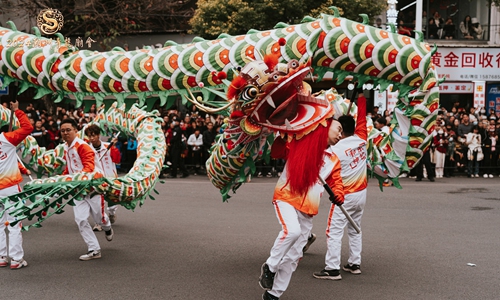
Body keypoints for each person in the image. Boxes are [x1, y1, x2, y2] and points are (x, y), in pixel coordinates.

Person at [259, 118, 345, 300]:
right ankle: (270, 267)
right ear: (325, 126)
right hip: (287, 197)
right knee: (292, 231)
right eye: (338, 129)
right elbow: (277, 152)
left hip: (308, 209)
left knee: (294, 256)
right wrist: (283, 137)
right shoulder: (301, 141)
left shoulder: (333, 160)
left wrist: (338, 194)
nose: (340, 135)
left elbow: (336, 183)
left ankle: (273, 294)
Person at [313, 94, 367, 280]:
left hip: (344, 195)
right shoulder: (362, 141)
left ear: (340, 130)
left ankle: (332, 268)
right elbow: (362, 119)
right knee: (355, 228)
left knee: (334, 231)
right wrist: (361, 99)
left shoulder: (334, 149)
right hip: (362, 194)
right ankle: (354, 263)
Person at [60, 119, 114, 261]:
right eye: (62, 131)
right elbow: (70, 168)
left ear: (76, 131)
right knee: (81, 220)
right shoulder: (66, 147)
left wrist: (75, 179)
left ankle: (107, 227)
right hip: (77, 190)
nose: (65, 133)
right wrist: (61, 178)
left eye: (68, 130)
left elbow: (88, 167)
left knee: (100, 219)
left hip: (92, 188)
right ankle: (94, 249)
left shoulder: (82, 146)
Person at [0, 101, 33, 269]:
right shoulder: (6, 139)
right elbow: (28, 128)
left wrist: (21, 167)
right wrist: (18, 111)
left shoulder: (7, 139)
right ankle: (16, 259)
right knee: (14, 223)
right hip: (11, 187)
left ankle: (1, 256)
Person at [84, 124, 121, 230]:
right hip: (97, 179)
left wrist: (113, 147)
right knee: (97, 201)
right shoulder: (87, 149)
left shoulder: (108, 146)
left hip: (111, 178)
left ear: (98, 135)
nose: (92, 138)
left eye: (94, 135)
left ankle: (112, 213)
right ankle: (98, 223)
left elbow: (117, 159)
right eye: (89, 136)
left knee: (112, 202)